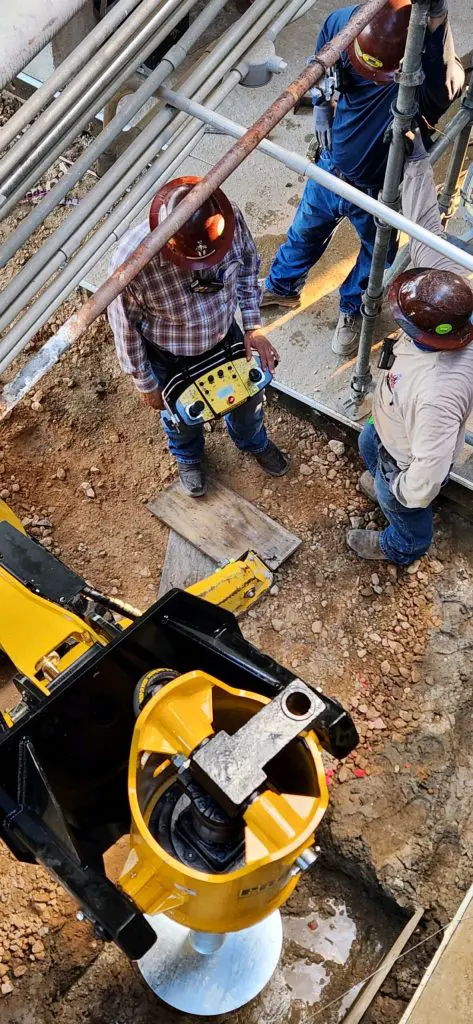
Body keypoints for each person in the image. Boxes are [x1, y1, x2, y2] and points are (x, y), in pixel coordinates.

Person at [261, 0, 464, 358]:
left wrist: (437, 19)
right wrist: (323, 106)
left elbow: (449, 84)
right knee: (305, 229)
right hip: (333, 164)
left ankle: (352, 309)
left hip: (380, 188)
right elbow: (321, 66)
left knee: (375, 254)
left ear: (404, 62)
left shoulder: (430, 77)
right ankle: (282, 287)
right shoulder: (345, 24)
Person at [107, 176, 288, 497]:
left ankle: (252, 442)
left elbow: (247, 268)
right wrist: (147, 384)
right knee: (182, 417)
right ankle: (189, 456)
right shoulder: (131, 263)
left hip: (224, 336)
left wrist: (252, 326)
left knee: (248, 401)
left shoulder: (227, 220)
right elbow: (125, 329)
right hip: (169, 354)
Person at [346, 129, 473, 566]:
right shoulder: (446, 281)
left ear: (429, 336)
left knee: (405, 510)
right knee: (368, 443)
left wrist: (401, 491)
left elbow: (428, 471)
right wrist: (416, 160)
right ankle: (382, 486)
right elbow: (421, 224)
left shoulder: (441, 393)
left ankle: (398, 547)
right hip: (389, 422)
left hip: (405, 459)